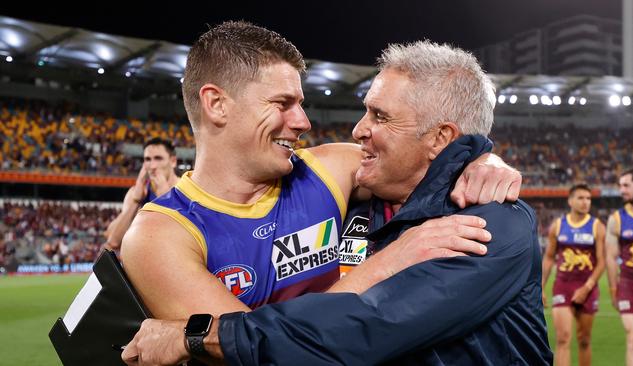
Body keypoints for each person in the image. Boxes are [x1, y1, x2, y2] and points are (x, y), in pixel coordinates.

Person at [123, 38, 550, 366]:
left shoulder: (331, 171)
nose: (305, 123)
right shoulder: (161, 233)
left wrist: (484, 157)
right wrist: (390, 259)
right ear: (216, 103)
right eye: (283, 103)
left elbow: (429, 162)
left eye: (379, 116)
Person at [542, 183, 605, 366]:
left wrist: (586, 288)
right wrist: (541, 286)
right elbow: (548, 258)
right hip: (563, 286)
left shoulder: (597, 227)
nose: (585, 202)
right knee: (562, 339)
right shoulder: (558, 226)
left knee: (584, 340)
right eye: (581, 198)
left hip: (587, 287)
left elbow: (601, 262)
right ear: (570, 201)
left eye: (588, 198)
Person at [606, 169, 633, 366]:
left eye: (626, 185)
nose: (621, 190)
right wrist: (613, 288)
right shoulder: (616, 219)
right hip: (629, 285)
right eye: (620, 185)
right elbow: (611, 256)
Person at [104, 137, 180, 251]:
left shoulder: (185, 189)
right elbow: (113, 242)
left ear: (173, 161)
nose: (153, 166)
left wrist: (165, 200)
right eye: (148, 159)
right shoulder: (137, 192)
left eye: (158, 158)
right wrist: (136, 202)